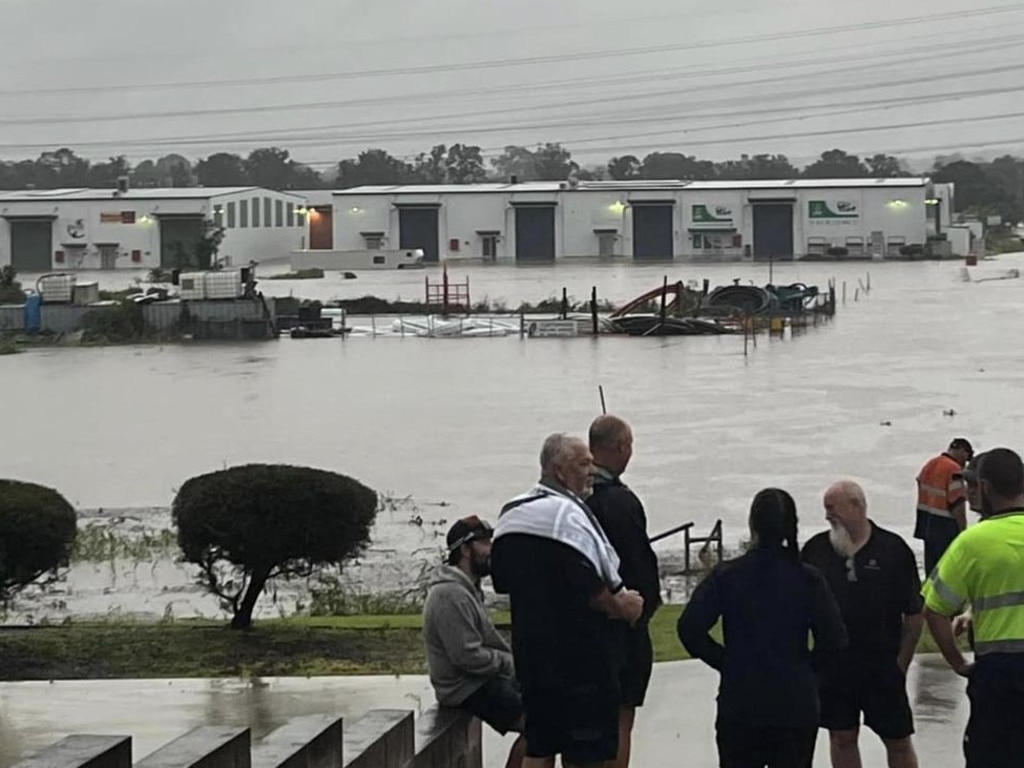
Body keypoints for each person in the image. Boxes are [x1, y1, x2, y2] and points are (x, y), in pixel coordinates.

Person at [491, 434, 644, 768]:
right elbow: (601, 590)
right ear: (559, 471)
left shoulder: (512, 514)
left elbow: (500, 581)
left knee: (540, 745)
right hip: (582, 663)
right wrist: (629, 606)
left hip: (532, 657)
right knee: (584, 753)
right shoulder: (568, 517)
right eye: (583, 464)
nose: (592, 471)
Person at [678, 488, 848, 768]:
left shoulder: (728, 575)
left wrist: (725, 661)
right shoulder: (808, 579)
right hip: (795, 703)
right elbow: (835, 641)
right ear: (791, 526)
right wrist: (807, 671)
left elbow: (689, 628)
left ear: (752, 524)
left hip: (741, 701)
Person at [801, 481, 923, 768]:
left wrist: (900, 665)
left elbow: (915, 614)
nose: (828, 515)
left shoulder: (893, 549)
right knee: (842, 738)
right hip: (834, 666)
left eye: (832, 508)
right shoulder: (816, 550)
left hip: (882, 664)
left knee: (898, 740)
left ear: (856, 505)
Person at [922, 448, 1024, 768]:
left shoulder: (973, 542)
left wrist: (958, 663)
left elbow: (934, 609)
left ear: (988, 488)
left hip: (999, 674)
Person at [586, 414, 661, 768]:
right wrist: (645, 609)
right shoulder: (620, 502)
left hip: (583, 624)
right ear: (620, 447)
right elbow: (640, 563)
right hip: (623, 626)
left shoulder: (574, 499)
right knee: (619, 722)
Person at [422, 516, 527, 768]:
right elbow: (467, 657)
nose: (491, 548)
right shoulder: (450, 595)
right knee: (540, 726)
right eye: (484, 542)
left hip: (479, 680)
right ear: (465, 550)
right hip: (465, 688)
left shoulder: (466, 589)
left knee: (549, 707)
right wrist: (508, 663)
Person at [914, 438, 973, 575]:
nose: (965, 464)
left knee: (931, 570)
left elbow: (920, 483)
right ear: (963, 452)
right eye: (967, 458)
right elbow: (957, 502)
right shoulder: (954, 470)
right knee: (948, 570)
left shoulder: (931, 464)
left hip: (926, 523)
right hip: (945, 527)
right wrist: (963, 532)